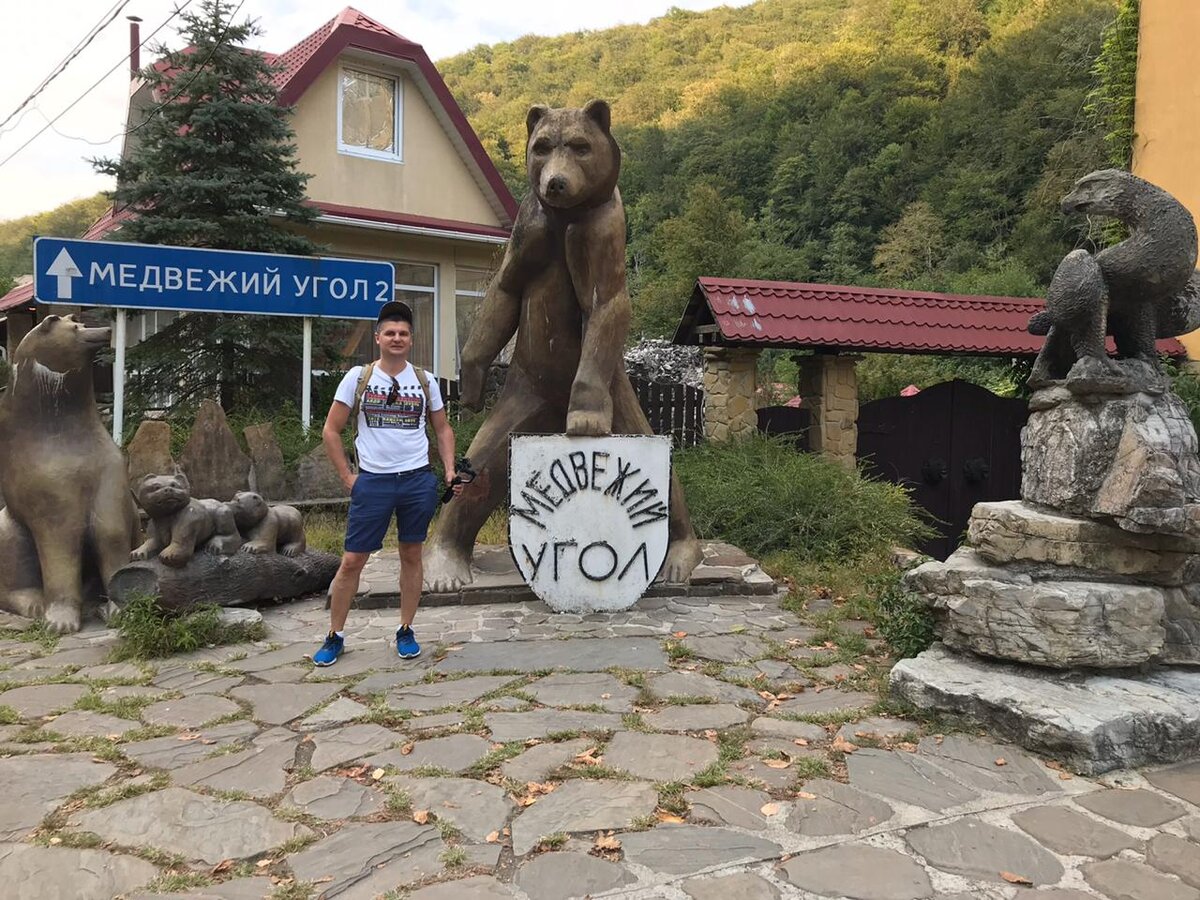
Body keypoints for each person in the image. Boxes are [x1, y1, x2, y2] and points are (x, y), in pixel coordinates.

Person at [312, 300, 459, 666]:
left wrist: (450, 469)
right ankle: (335, 635)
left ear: (411, 340)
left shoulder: (424, 381)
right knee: (352, 561)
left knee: (411, 555)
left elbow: (442, 428)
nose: (397, 338)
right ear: (378, 338)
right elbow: (331, 430)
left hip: (416, 481)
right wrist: (348, 477)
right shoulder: (358, 378)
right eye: (390, 333)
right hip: (373, 482)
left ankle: (405, 629)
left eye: (403, 333)